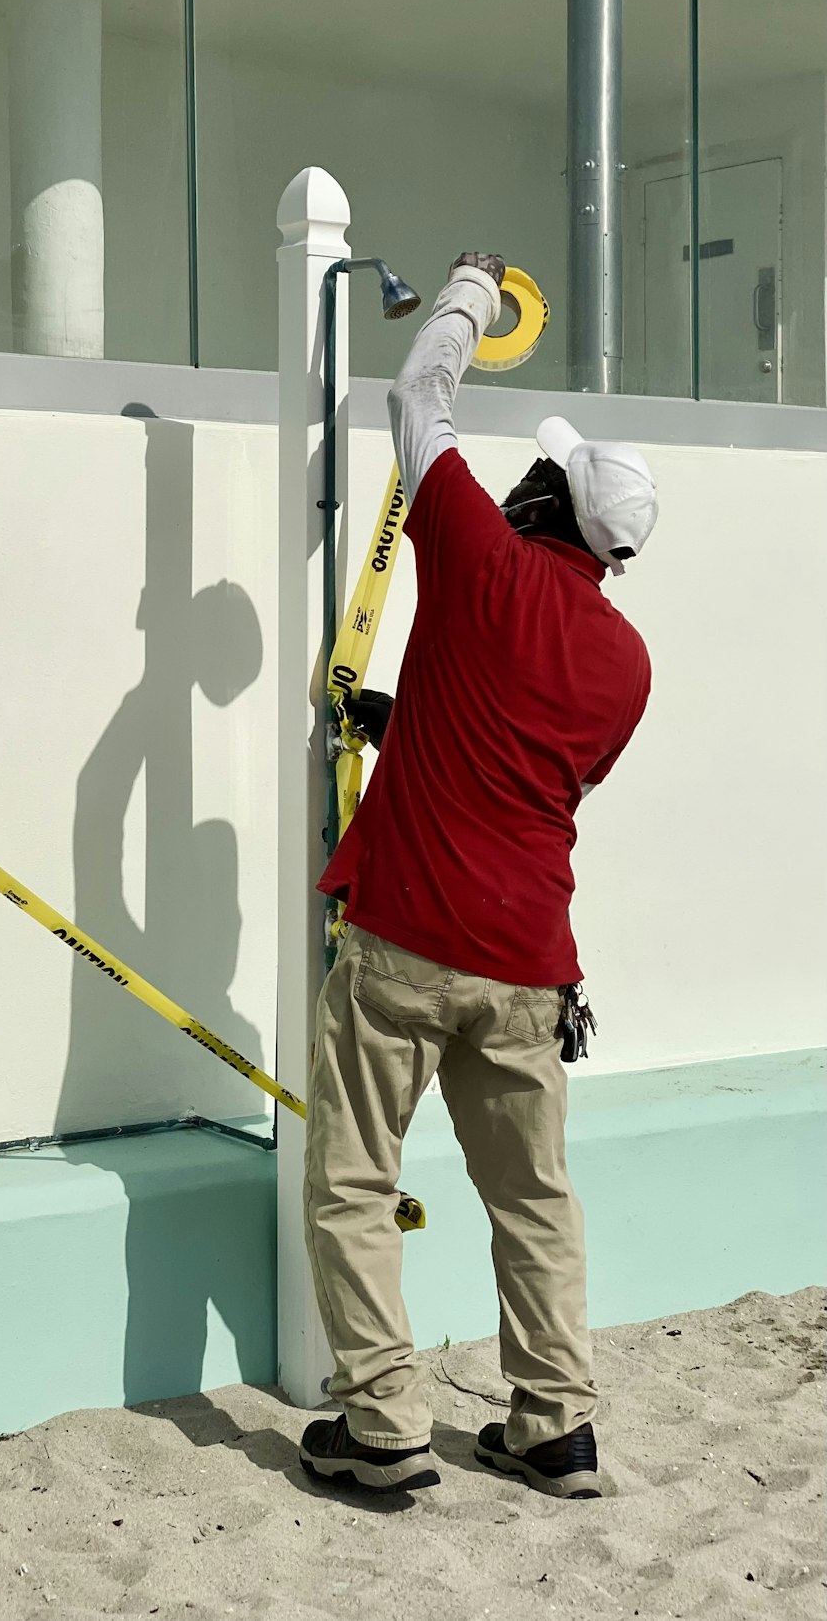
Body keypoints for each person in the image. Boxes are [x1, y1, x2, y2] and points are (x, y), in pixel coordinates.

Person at [299, 252, 658, 1500]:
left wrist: (466, 294)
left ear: (548, 505)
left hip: (403, 944)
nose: (520, 476)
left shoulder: (478, 558)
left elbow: (417, 399)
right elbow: (526, 768)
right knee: (533, 1202)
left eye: (539, 473)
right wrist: (409, 719)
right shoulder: (625, 662)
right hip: (526, 970)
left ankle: (383, 1424)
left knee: (353, 1180)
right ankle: (554, 1425)